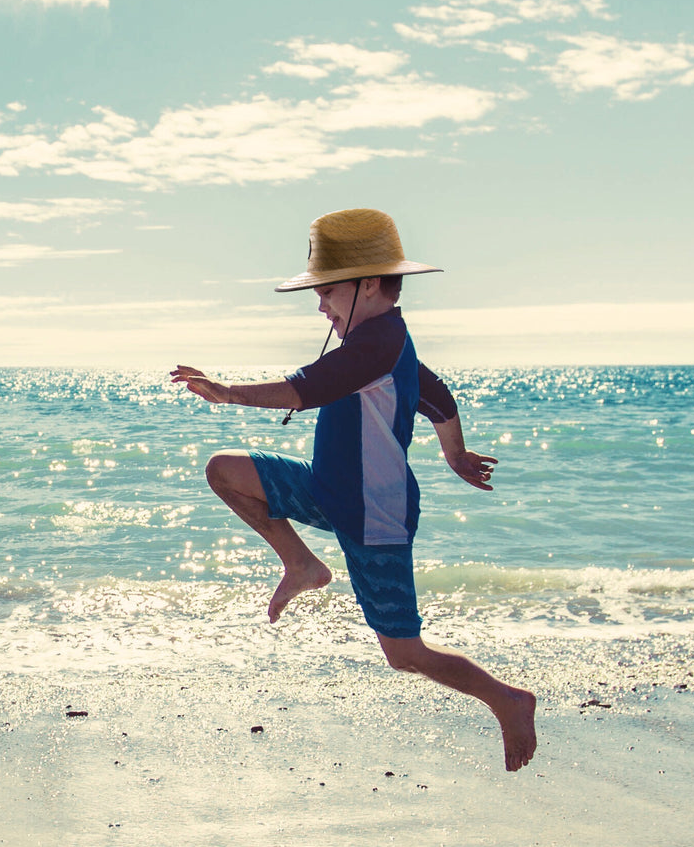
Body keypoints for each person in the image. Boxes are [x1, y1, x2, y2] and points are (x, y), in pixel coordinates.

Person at [171, 208, 536, 772]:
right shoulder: (385, 342)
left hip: (375, 514)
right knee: (225, 470)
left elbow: (307, 389)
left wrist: (226, 393)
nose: (319, 304)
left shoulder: (377, 343)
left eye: (325, 291)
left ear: (368, 285)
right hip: (330, 490)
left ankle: (507, 700)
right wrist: (454, 452)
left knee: (404, 654)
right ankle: (301, 565)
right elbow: (436, 395)